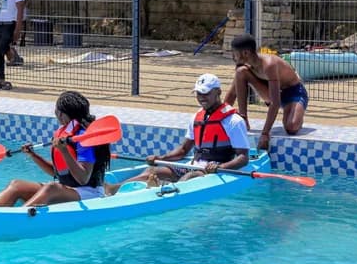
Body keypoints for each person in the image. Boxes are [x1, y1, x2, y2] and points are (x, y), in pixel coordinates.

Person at [105, 74, 250, 195]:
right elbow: (183, 150)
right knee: (152, 171)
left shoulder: (233, 121)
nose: (201, 97)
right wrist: (160, 158)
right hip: (194, 165)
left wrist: (222, 167)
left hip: (213, 169)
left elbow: (243, 158)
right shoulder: (196, 117)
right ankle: (114, 189)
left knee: (189, 177)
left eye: (205, 93)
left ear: (218, 92)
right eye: (198, 93)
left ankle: (158, 193)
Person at [0, 91, 111, 207]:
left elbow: (83, 179)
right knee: (17, 185)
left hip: (90, 193)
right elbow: (58, 173)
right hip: (68, 190)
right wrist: (33, 155)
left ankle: (16, 217)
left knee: (51, 188)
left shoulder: (83, 138)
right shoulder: (64, 134)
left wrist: (64, 151)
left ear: (61, 114)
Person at [223, 34, 308, 150]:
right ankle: (244, 119)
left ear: (245, 53)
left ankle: (296, 112)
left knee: (291, 127)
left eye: (234, 53)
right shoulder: (243, 66)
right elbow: (233, 93)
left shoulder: (269, 65)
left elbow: (275, 103)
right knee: (240, 72)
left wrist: (265, 133)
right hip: (272, 93)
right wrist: (219, 117)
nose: (232, 57)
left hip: (293, 92)